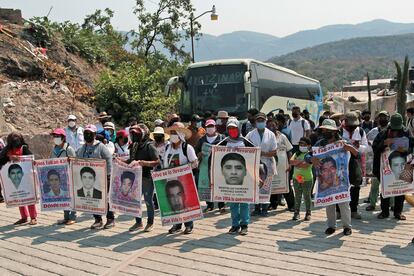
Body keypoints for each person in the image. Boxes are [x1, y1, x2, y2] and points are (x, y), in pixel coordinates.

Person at [310, 119, 359, 236]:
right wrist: (311, 158)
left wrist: (350, 148)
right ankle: (331, 226)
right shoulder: (320, 143)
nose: (325, 131)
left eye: (327, 130)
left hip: (342, 179)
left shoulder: (343, 141)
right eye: (324, 130)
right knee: (329, 203)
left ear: (334, 131)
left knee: (344, 203)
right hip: (325, 180)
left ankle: (347, 227)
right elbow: (308, 155)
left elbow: (357, 154)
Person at [373, 113, 414, 221]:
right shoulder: (383, 134)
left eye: (398, 129)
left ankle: (398, 212)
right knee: (385, 189)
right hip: (385, 167)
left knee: (401, 189)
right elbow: (375, 148)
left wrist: (404, 150)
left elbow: (411, 148)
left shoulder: (407, 133)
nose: (396, 131)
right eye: (394, 129)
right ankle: (385, 212)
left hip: (402, 165)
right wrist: (384, 143)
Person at [217, 118, 254, 235]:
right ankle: (234, 225)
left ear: (238, 128)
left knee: (244, 202)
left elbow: (254, 158)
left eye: (234, 128)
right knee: (232, 202)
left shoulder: (246, 141)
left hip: (244, 177)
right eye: (230, 128)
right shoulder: (223, 142)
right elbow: (216, 158)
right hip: (229, 179)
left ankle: (244, 225)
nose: (232, 130)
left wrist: (256, 176)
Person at [124, 124, 159, 233]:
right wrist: (120, 160)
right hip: (135, 178)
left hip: (147, 178)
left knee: (148, 201)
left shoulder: (149, 146)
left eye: (136, 134)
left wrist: (144, 163)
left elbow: (157, 161)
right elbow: (132, 160)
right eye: (132, 134)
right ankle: (138, 222)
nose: (133, 136)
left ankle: (150, 222)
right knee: (135, 201)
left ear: (142, 135)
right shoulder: (133, 146)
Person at [164, 122, 198, 234]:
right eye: (172, 133)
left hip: (185, 180)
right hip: (171, 180)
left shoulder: (187, 148)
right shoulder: (167, 147)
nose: (173, 135)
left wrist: (183, 168)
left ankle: (189, 225)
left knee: (186, 202)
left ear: (180, 135)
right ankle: (176, 224)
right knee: (174, 203)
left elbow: (195, 163)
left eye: (175, 133)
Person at [76, 124, 113, 230]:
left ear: (95, 134)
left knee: (106, 199)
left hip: (103, 177)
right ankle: (98, 219)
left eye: (90, 133)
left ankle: (110, 219)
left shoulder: (101, 147)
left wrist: (107, 175)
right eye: (85, 133)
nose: (87, 135)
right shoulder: (82, 148)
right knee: (92, 199)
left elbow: (109, 160)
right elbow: (77, 160)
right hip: (89, 179)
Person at [0, 132, 37, 225]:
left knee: (29, 197)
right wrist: (9, 158)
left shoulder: (24, 148)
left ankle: (33, 217)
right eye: (13, 138)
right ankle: (24, 217)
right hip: (14, 179)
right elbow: (1, 160)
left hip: (25, 177)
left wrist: (20, 158)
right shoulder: (7, 150)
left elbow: (31, 159)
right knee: (18, 197)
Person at [246, 112, 277, 216]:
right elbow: (245, 147)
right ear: (255, 122)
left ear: (265, 121)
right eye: (258, 120)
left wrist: (263, 153)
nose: (260, 122)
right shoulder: (250, 134)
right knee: (256, 185)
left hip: (268, 163)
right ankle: (256, 208)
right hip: (254, 163)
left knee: (266, 187)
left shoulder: (271, 134)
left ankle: (265, 209)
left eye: (262, 120)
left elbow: (274, 152)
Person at [339, 112, 367, 219]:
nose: (353, 127)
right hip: (342, 161)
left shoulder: (360, 131)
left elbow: (366, 147)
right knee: (341, 185)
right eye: (350, 125)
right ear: (345, 122)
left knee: (355, 185)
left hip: (355, 161)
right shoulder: (339, 131)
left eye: (354, 125)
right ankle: (339, 210)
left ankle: (354, 210)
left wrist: (358, 146)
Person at [195, 119, 225, 213]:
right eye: (208, 126)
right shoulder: (202, 139)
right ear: (205, 128)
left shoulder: (221, 138)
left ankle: (221, 205)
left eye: (212, 126)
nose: (210, 128)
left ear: (215, 127)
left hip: (219, 166)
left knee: (219, 184)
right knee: (206, 185)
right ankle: (209, 205)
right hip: (205, 166)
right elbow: (197, 152)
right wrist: (200, 154)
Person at [50, 128, 77, 225]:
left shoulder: (68, 149)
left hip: (69, 177)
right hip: (59, 178)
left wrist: (71, 161)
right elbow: (50, 162)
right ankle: (66, 217)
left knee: (72, 197)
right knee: (63, 197)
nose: (56, 138)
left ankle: (73, 216)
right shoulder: (54, 149)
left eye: (58, 136)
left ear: (63, 138)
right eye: (55, 136)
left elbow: (75, 162)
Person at [365, 111, 390, 211]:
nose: (382, 119)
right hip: (376, 161)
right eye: (380, 117)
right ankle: (372, 203)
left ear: (388, 118)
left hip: (388, 162)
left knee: (389, 183)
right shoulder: (373, 131)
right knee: (375, 183)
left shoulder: (392, 129)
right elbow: (368, 144)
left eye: (384, 117)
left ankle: (391, 204)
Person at [290, 137, 313, 221]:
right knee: (297, 196)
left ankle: (308, 213)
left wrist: (297, 163)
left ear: (309, 146)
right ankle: (296, 213)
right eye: (300, 144)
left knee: (307, 196)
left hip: (307, 179)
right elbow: (291, 162)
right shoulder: (296, 153)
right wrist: (301, 162)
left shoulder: (310, 154)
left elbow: (306, 165)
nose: (301, 146)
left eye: (304, 144)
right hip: (296, 178)